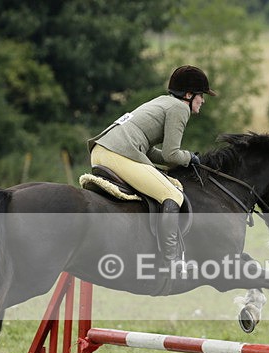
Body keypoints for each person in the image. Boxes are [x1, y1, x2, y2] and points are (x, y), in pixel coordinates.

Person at [87, 65, 216, 272]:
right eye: (201, 95)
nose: (203, 100)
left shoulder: (162, 101)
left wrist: (185, 159)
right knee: (173, 195)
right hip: (117, 153)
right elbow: (171, 155)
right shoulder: (179, 108)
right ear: (189, 95)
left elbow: (151, 153)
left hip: (102, 150)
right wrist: (189, 157)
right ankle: (171, 259)